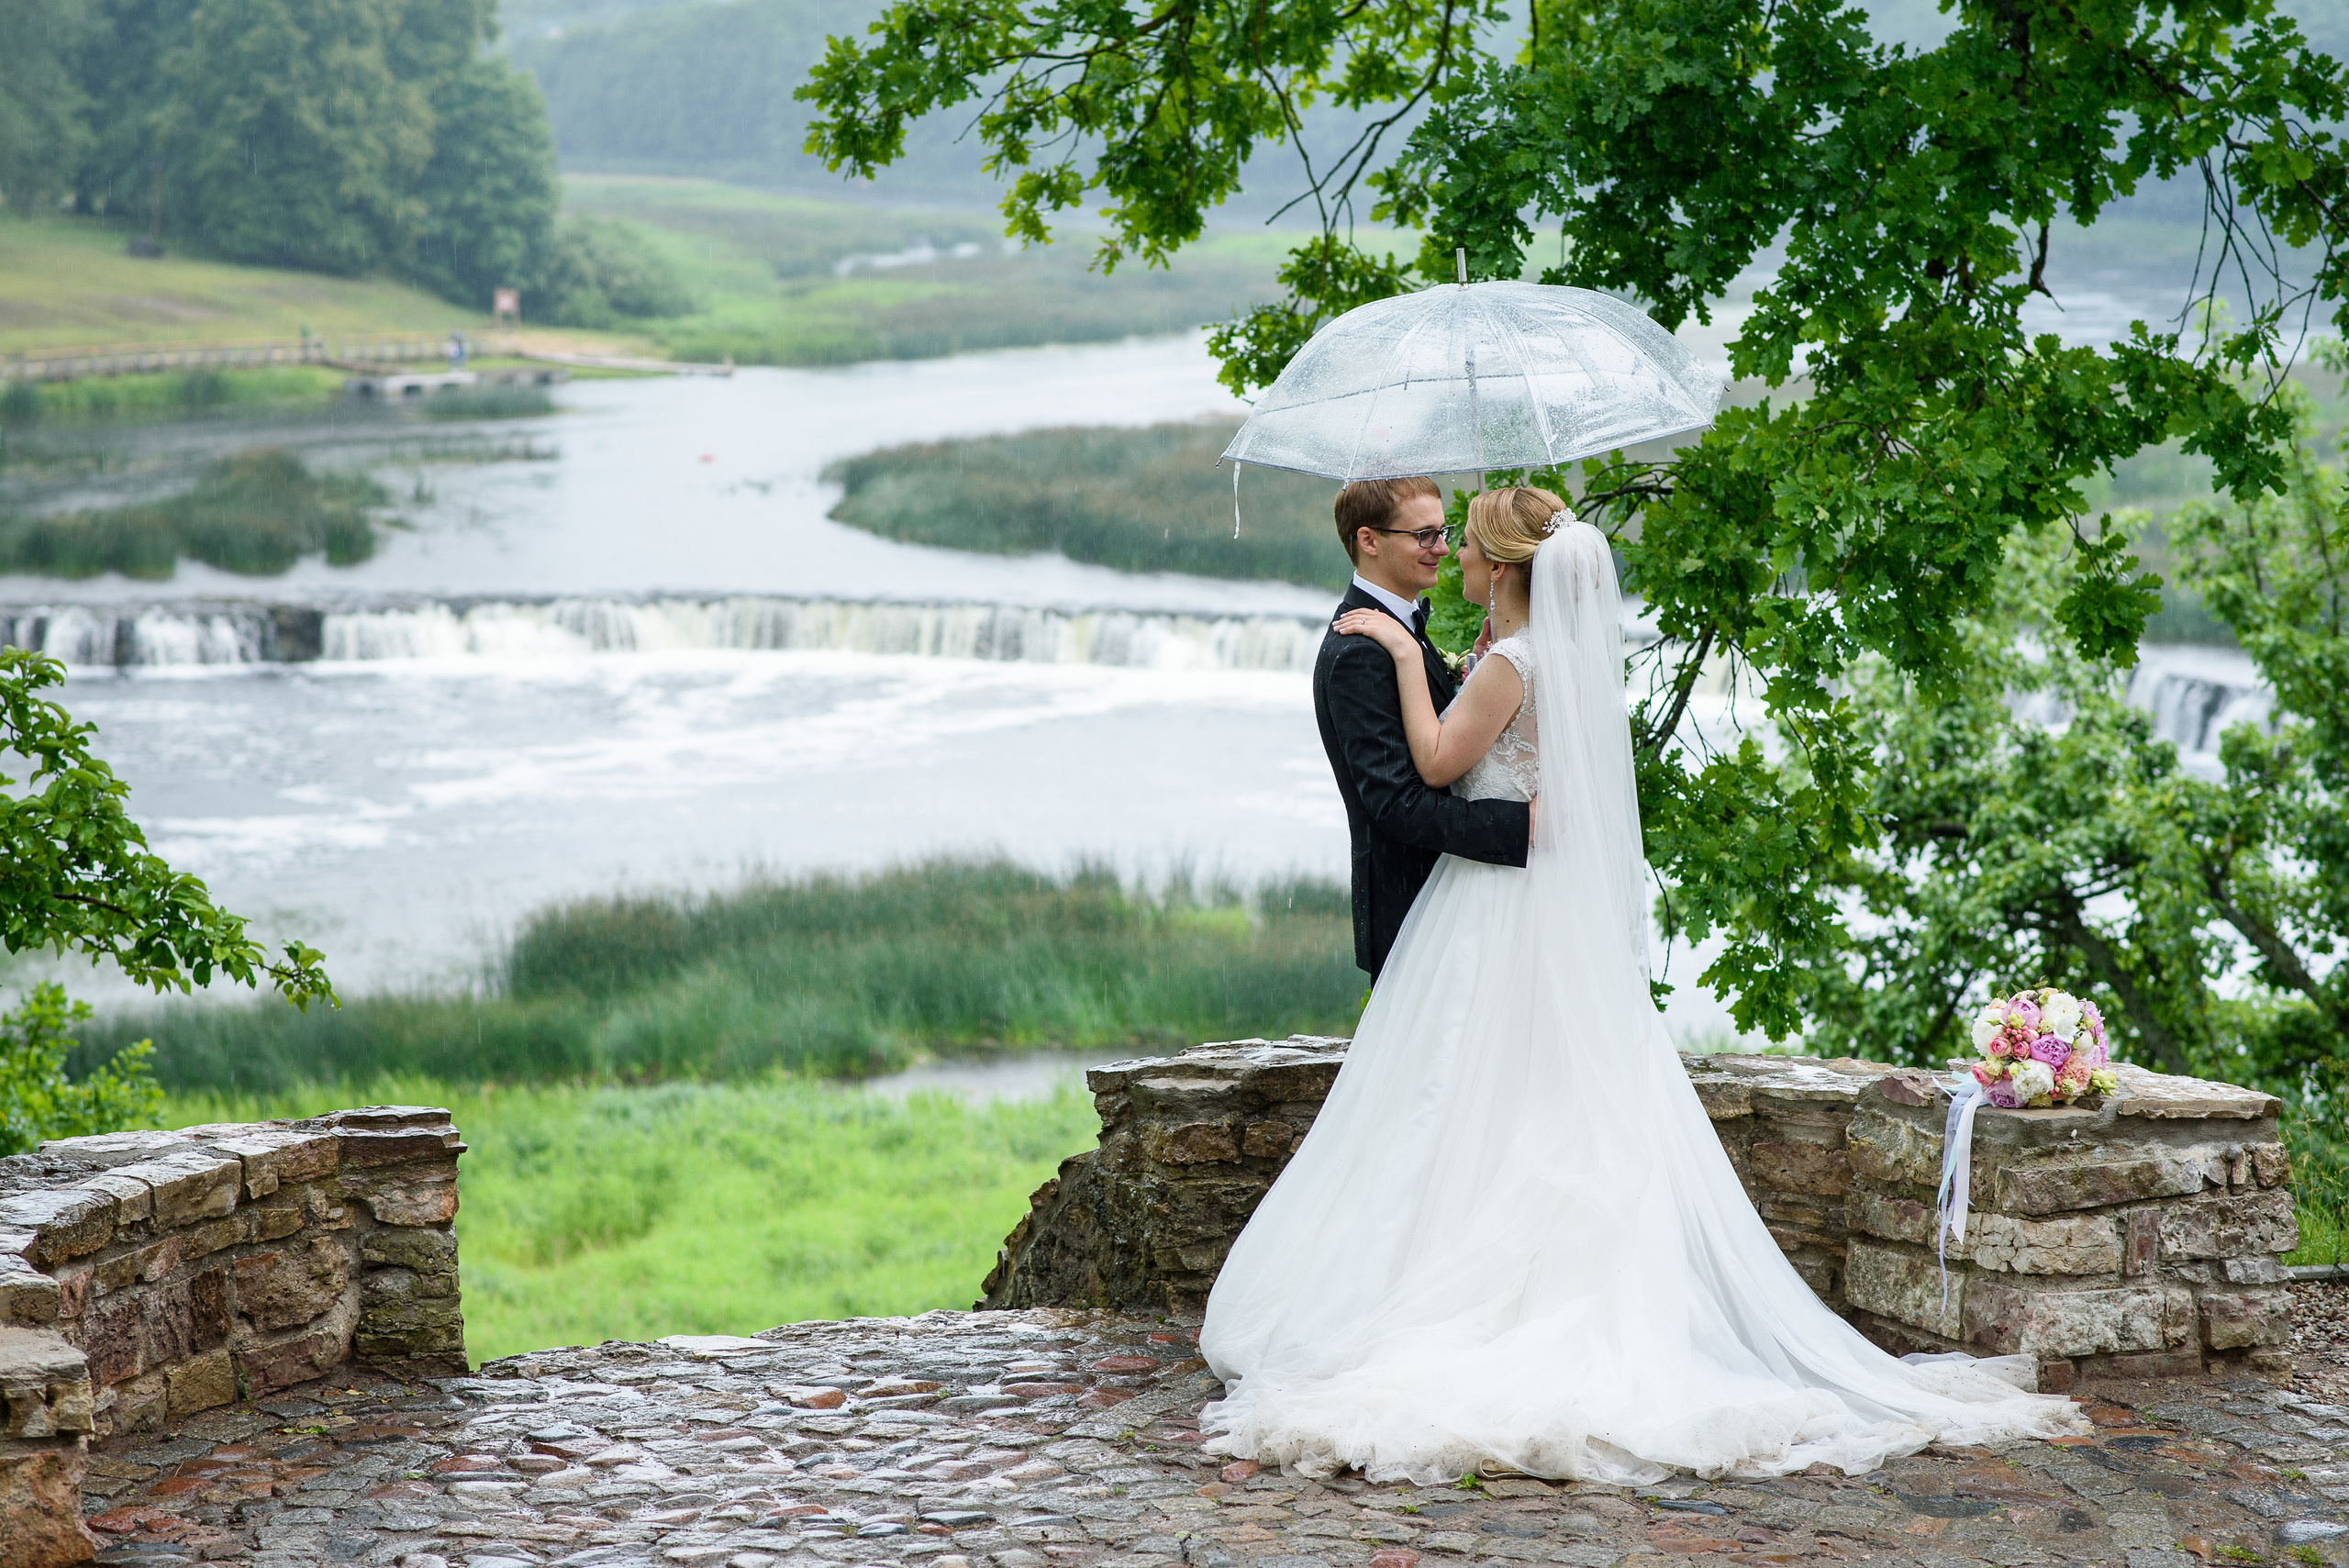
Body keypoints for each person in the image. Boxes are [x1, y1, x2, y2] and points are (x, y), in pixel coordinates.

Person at [1199, 487, 2087, 1484]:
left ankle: (1474, 1300)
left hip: (1490, 915)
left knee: (1463, 1095)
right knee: (1535, 1102)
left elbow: (1440, 759)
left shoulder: (1503, 662)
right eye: (1431, 538)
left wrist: (1414, 664)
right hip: (1521, 911)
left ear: (1502, 569)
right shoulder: (1554, 663)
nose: (1450, 560)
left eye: (1464, 548)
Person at [1314, 476, 1531, 979]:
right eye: (1424, 535)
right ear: (1369, 540)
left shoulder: (1404, 631)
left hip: (1468, 909)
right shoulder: (1360, 653)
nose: (1443, 548)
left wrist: (1475, 678)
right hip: (1414, 910)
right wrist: (1523, 826)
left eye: (1445, 531)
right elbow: (1397, 806)